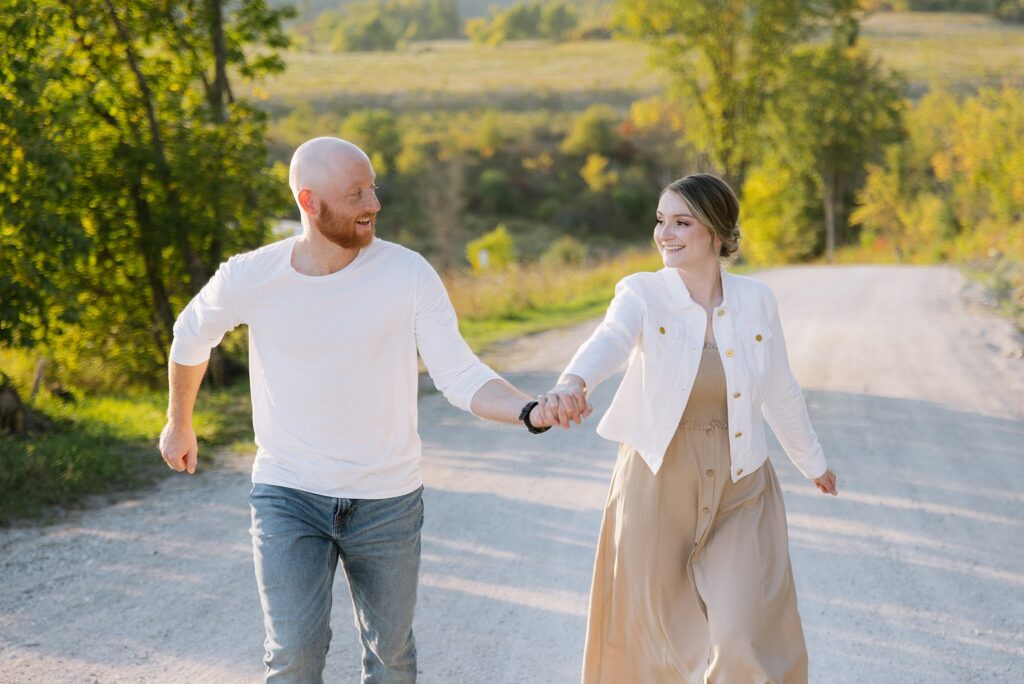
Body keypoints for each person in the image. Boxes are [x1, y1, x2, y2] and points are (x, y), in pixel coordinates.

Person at [157, 137, 585, 683]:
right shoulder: (251, 275)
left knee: (391, 659)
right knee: (293, 655)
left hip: (387, 500)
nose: (374, 204)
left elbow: (459, 374)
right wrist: (179, 420)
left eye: (373, 187)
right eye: (356, 193)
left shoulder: (406, 274)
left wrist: (529, 410)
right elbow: (191, 336)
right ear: (309, 203)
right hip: (287, 493)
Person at [537, 174, 839, 683]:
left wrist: (813, 462)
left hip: (741, 486)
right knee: (653, 643)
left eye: (682, 222)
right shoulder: (642, 293)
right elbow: (610, 338)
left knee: (744, 634)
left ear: (717, 233)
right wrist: (573, 382)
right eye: (660, 220)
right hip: (656, 482)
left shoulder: (757, 300)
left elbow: (780, 389)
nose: (665, 234)